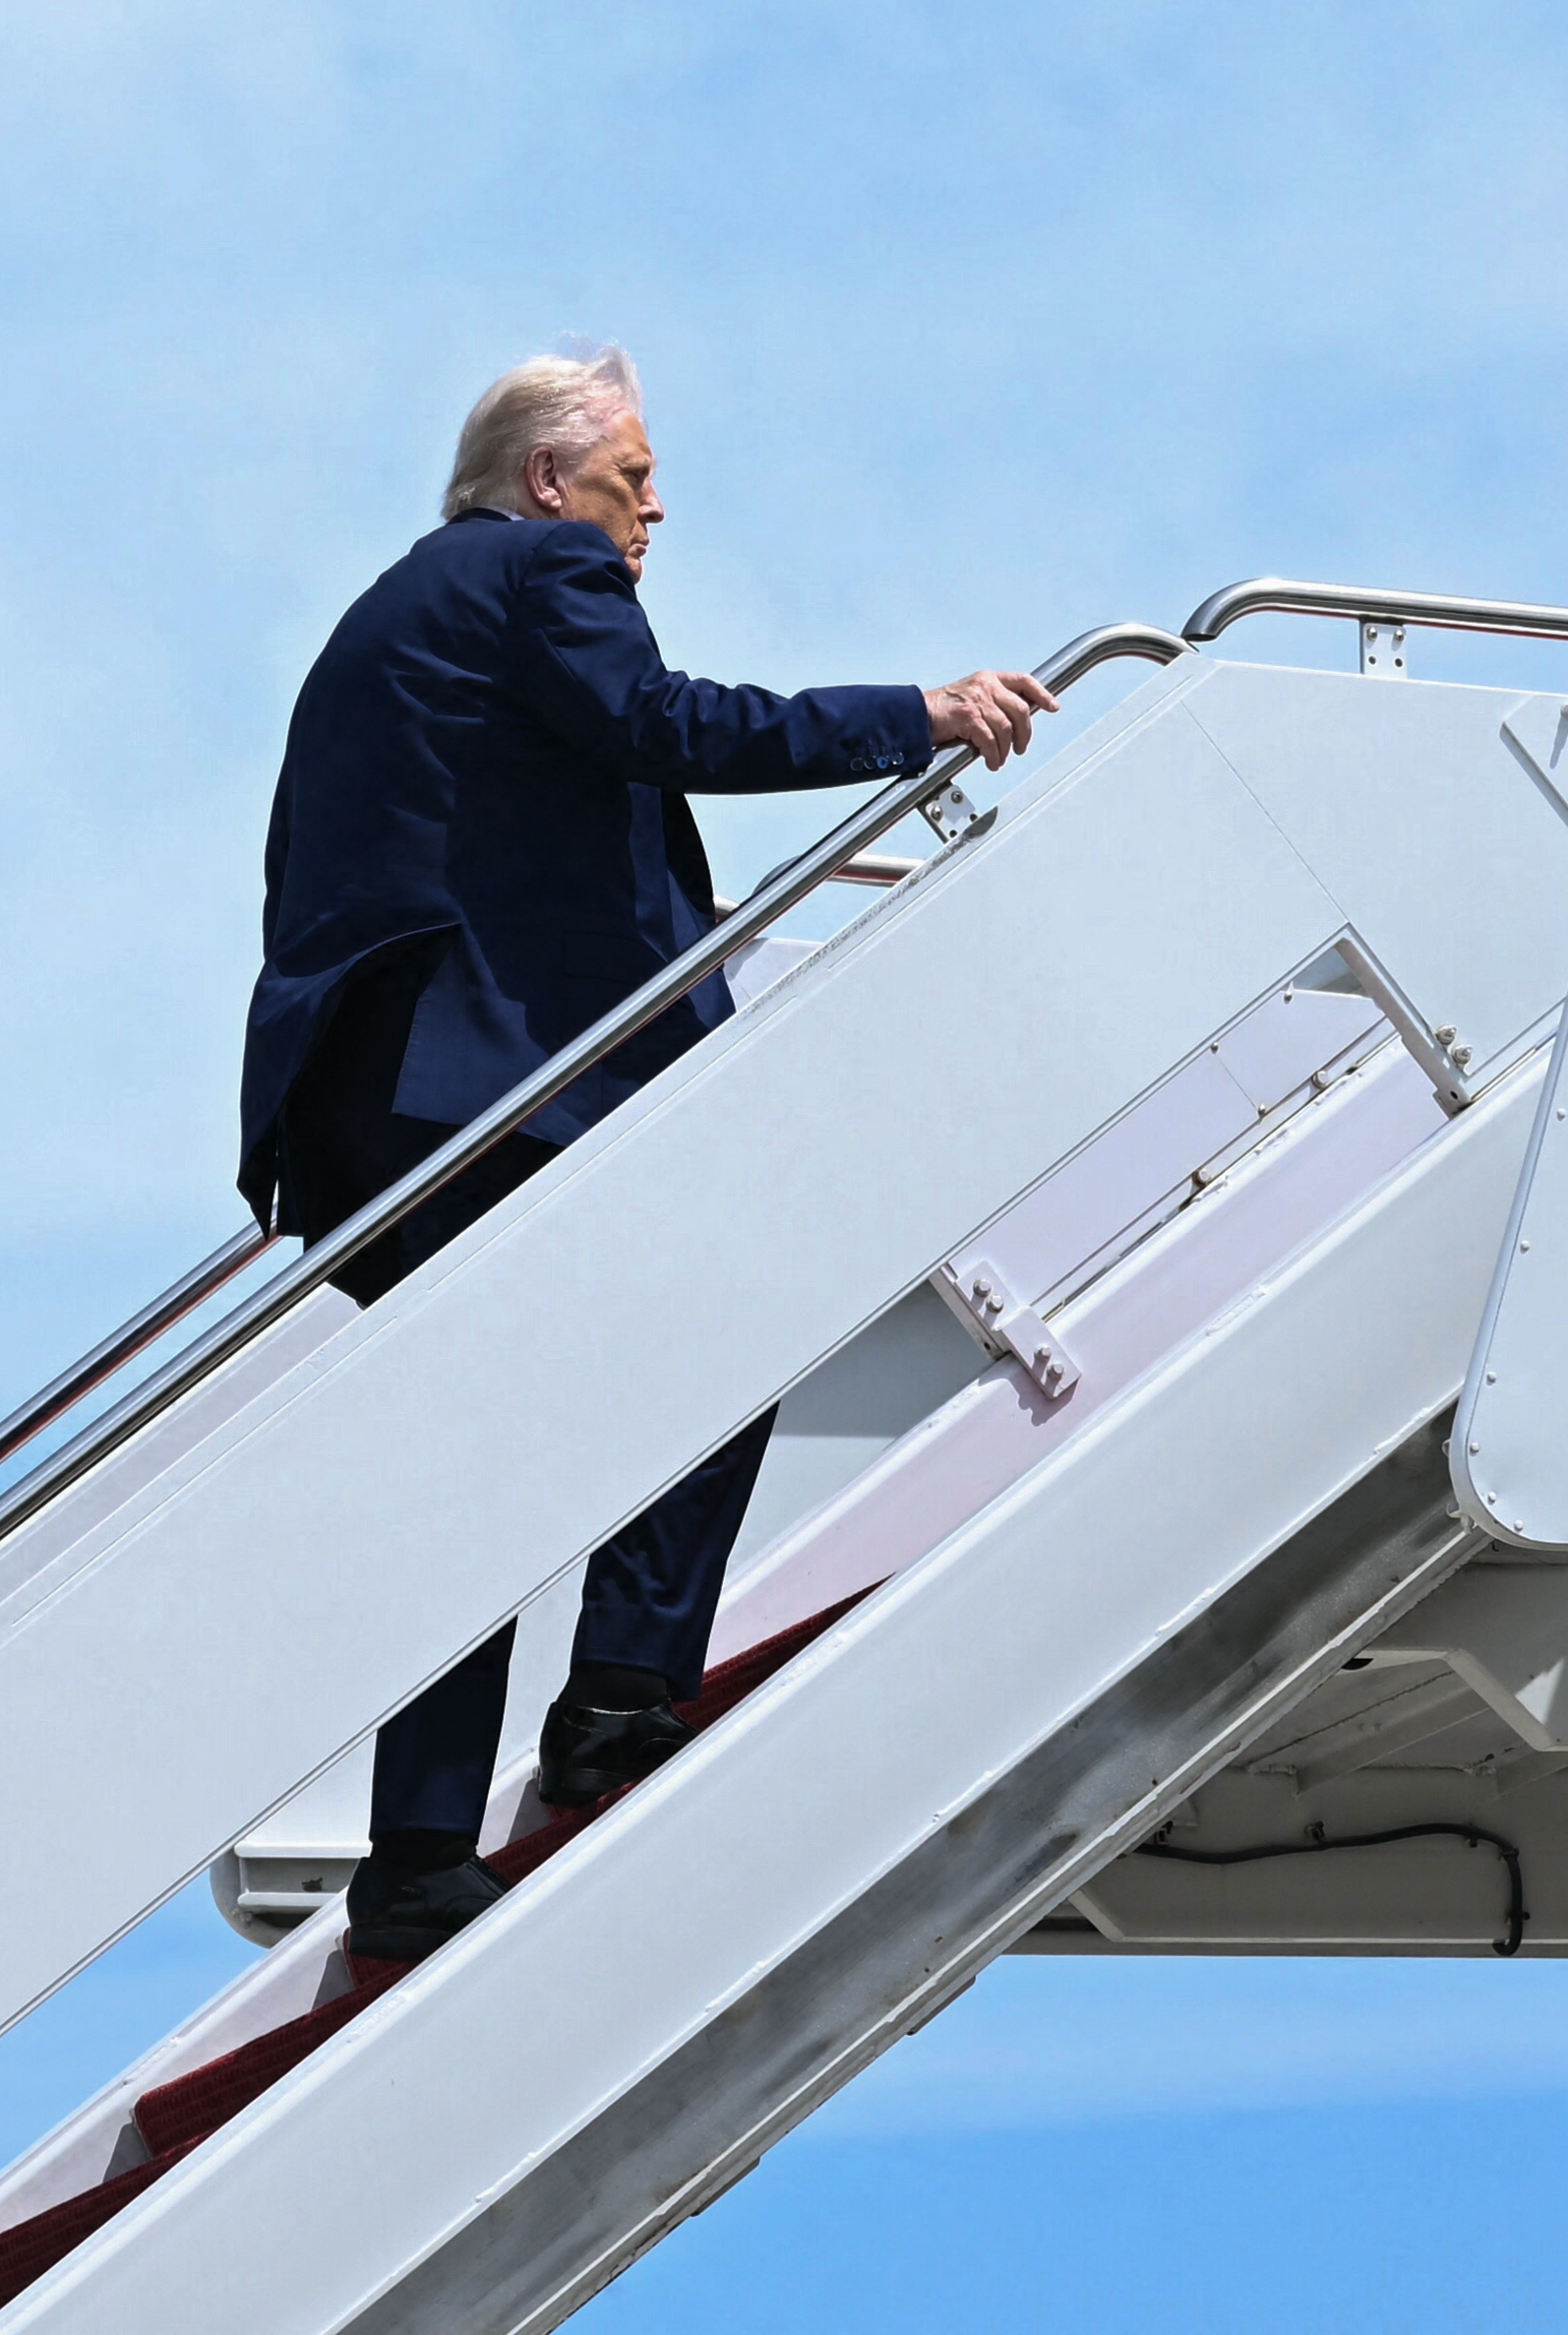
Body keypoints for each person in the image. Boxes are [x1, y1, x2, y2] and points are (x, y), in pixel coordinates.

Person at [240, 350, 1054, 1962]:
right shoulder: (540, 566)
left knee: (478, 1470)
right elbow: (657, 722)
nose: (654, 509)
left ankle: (417, 1852)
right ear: (551, 481)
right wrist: (921, 717)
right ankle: (616, 1695)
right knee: (744, 1310)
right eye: (633, 476)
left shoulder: (399, 610)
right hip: (490, 1080)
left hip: (373, 1097)